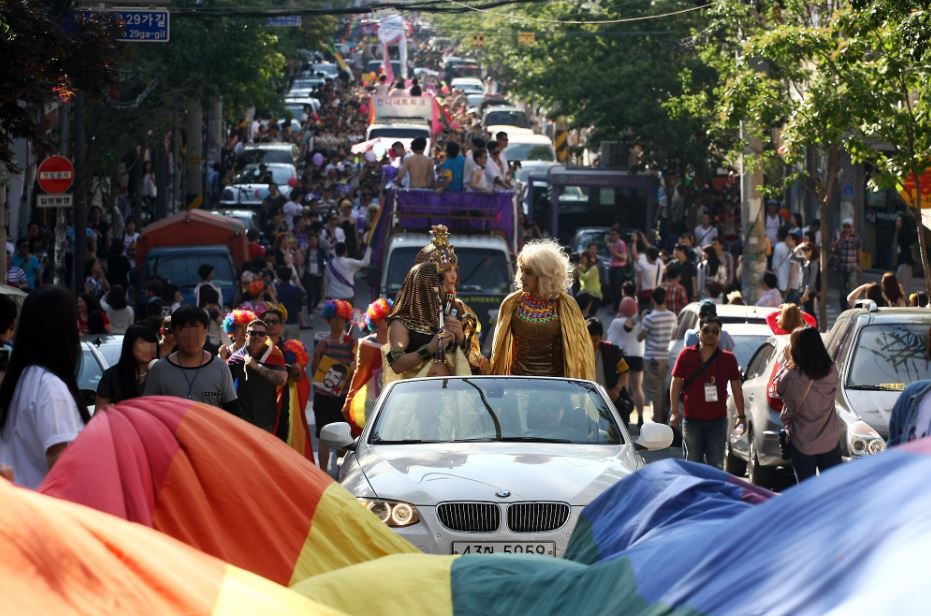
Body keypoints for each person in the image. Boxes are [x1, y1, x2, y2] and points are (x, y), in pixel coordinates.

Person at [0, 286, 88, 488]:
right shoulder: (50, 388)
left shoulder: (20, 379)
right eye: (74, 321)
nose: (78, 329)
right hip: (43, 514)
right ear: (63, 328)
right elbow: (63, 472)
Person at [489, 239, 595, 380]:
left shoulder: (567, 305)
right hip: (517, 387)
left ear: (544, 275)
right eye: (521, 270)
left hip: (555, 389)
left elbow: (579, 355)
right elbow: (498, 352)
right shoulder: (511, 303)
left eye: (528, 272)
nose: (522, 277)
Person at [385, 227, 470, 380]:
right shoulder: (402, 320)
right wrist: (429, 348)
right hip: (417, 397)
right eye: (443, 273)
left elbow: (476, 361)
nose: (451, 277)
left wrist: (461, 338)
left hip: (453, 395)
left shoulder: (457, 310)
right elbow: (396, 364)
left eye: (453, 269)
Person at [670, 315, 744, 468]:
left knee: (715, 466)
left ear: (719, 335)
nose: (711, 334)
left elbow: (736, 387)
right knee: (692, 464)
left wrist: (741, 416)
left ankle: (712, 492)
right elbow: (676, 383)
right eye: (706, 330)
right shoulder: (686, 354)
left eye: (715, 331)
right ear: (699, 333)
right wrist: (675, 412)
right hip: (692, 421)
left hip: (718, 421)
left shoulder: (728, 359)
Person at [144, 305, 240, 415]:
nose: (190, 335)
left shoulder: (220, 367)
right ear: (174, 332)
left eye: (195, 328)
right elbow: (148, 413)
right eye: (182, 329)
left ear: (205, 331)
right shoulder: (159, 369)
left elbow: (233, 412)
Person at [775, 326, 841, 481]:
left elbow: (779, 388)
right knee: (832, 490)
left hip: (802, 442)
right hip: (829, 440)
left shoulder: (792, 376)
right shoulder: (832, 371)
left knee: (806, 490)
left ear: (797, 349)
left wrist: (788, 362)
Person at [311, 300, 356, 473]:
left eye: (341, 318)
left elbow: (355, 368)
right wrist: (318, 353)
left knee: (340, 437)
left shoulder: (351, 343)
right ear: (328, 320)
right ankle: (322, 472)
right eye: (334, 318)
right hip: (323, 395)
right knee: (323, 435)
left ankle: (339, 472)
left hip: (342, 397)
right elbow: (315, 370)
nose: (337, 322)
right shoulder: (323, 343)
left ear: (346, 320)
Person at [226, 319, 288, 437]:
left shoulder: (273, 355)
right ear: (246, 335)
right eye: (253, 333)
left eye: (261, 334)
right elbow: (223, 386)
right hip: (242, 418)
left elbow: (282, 379)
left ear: (265, 338)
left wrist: (257, 368)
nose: (257, 336)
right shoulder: (235, 358)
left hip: (265, 419)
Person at [342, 298, 392, 436]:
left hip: (393, 399)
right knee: (368, 437)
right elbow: (360, 373)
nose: (390, 321)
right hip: (370, 398)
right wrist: (349, 399)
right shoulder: (366, 344)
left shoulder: (400, 343)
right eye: (386, 318)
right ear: (376, 320)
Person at [95, 325, 159, 412]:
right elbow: (98, 415)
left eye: (150, 344)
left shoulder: (162, 373)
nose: (147, 349)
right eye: (142, 343)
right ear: (130, 345)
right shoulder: (112, 376)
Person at [638, 286, 677, 424]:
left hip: (652, 358)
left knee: (656, 392)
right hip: (667, 357)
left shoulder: (649, 318)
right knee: (664, 389)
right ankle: (662, 419)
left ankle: (659, 422)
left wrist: (643, 320)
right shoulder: (672, 316)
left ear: (653, 299)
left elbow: (639, 337)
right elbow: (673, 336)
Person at [607, 297, 645, 425]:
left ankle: (625, 416)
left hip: (622, 357)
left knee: (624, 388)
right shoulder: (639, 322)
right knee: (637, 388)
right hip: (637, 356)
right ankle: (640, 418)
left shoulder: (616, 322)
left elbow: (610, 340)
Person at [588, 318, 631, 424]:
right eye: (589, 340)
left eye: (595, 340)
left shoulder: (611, 350)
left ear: (601, 338)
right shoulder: (577, 352)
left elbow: (625, 371)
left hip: (609, 400)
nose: (592, 344)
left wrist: (617, 388)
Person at [831, 217, 862, 311]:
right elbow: (833, 251)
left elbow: (859, 252)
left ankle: (852, 308)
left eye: (848, 226)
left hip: (852, 267)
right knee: (842, 291)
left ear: (852, 227)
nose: (846, 229)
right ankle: (843, 309)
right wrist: (834, 244)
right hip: (841, 267)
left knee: (852, 289)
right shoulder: (838, 237)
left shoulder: (857, 238)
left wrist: (861, 266)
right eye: (844, 226)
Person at [275, 267, 305, 340]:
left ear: (279, 276)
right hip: (293, 322)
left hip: (279, 323)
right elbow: (303, 293)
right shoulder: (296, 290)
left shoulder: (276, 290)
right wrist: (296, 281)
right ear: (290, 276)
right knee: (292, 348)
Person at [576, 243, 603, 315]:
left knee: (591, 315)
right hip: (586, 294)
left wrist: (577, 270)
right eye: (581, 258)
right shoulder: (584, 267)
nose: (582, 260)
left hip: (594, 295)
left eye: (583, 258)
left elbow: (585, 277)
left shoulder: (594, 268)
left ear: (587, 259)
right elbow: (580, 270)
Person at [607, 228, 628, 312]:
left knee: (617, 289)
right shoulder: (613, 243)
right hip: (613, 267)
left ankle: (618, 308)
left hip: (619, 269)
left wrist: (614, 252)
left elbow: (624, 257)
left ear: (618, 235)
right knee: (612, 288)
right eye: (611, 234)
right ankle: (615, 307)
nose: (612, 236)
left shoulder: (621, 243)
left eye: (614, 234)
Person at [799, 242, 820, 319]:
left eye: (808, 250)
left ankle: (815, 328)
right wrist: (800, 246)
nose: (806, 252)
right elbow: (791, 257)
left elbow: (812, 279)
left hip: (809, 292)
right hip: (802, 290)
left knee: (810, 313)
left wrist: (806, 293)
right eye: (804, 250)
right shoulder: (803, 261)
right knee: (804, 313)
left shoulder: (813, 263)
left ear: (812, 251)